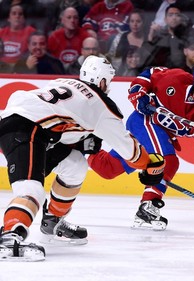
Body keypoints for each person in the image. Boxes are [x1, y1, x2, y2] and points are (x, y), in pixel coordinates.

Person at [0, 55, 165, 261]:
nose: (109, 87)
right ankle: (10, 237)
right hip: (29, 130)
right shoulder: (101, 104)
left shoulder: (64, 83)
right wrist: (150, 165)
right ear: (102, 81)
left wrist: (82, 141)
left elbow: (63, 124)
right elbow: (131, 152)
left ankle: (52, 221)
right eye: (109, 82)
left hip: (26, 125)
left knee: (75, 165)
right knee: (31, 191)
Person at [88, 62, 194, 231]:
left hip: (160, 134)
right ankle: (148, 206)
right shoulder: (177, 79)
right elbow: (149, 73)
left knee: (107, 169)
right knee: (168, 160)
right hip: (143, 121)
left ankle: (84, 147)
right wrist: (138, 93)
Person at [0, 4, 36, 70]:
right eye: (14, 13)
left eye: (20, 14)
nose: (17, 16)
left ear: (24, 18)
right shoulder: (1, 32)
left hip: (23, 68)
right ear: (8, 18)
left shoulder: (31, 32)